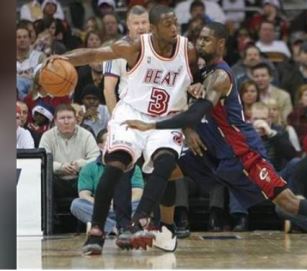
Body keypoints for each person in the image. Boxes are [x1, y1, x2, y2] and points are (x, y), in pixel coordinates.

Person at [123, 22, 307, 253]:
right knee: (164, 168)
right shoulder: (200, 72)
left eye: (206, 40)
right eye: (199, 39)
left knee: (288, 202)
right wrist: (189, 125)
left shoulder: (221, 76)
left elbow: (195, 113)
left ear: (220, 44)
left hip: (243, 154)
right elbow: (184, 104)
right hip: (213, 149)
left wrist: (151, 125)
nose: (200, 44)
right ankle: (164, 229)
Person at [47, 5, 197, 255]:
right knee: (116, 164)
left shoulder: (187, 50)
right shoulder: (134, 46)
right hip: (131, 113)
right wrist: (64, 59)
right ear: (154, 27)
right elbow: (94, 53)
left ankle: (140, 220)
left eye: (176, 24)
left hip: (166, 118)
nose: (174, 29)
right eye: (168, 24)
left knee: (165, 163)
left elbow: (203, 74)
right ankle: (96, 230)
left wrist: (199, 93)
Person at [70, 129, 145, 235]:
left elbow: (138, 192)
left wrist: (120, 204)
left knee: (145, 203)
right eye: (110, 141)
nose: (114, 145)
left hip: (127, 206)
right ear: (100, 146)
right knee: (76, 204)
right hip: (101, 209)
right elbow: (84, 195)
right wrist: (104, 204)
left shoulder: (132, 166)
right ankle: (115, 227)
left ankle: (117, 226)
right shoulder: (88, 168)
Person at [39, 104, 100, 229]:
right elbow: (42, 159)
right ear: (55, 121)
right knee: (45, 178)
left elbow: (95, 158)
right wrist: (60, 167)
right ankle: (52, 226)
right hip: (57, 180)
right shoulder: (47, 136)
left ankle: (90, 223)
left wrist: (80, 164)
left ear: (76, 119)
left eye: (69, 117)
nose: (66, 121)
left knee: (95, 175)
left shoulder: (86, 135)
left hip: (80, 178)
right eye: (62, 118)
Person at [102, 5, 150, 114]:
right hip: (129, 109)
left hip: (155, 108)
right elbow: (108, 89)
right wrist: (114, 119)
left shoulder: (159, 47)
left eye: (144, 22)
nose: (141, 27)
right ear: (128, 25)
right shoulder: (116, 50)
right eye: (136, 23)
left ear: (149, 24)